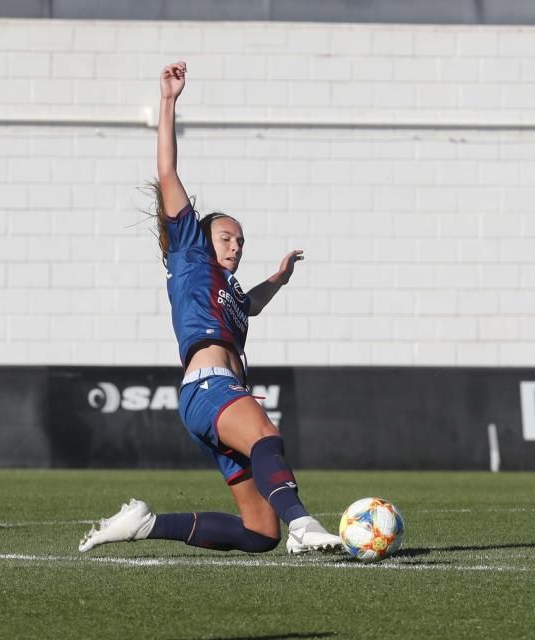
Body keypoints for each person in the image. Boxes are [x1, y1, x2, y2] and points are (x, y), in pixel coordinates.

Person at [79, 61, 343, 555]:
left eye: (241, 241)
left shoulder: (231, 293)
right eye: (227, 236)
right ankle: (304, 525)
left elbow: (250, 305)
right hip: (209, 390)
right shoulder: (190, 254)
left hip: (213, 398)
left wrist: (279, 280)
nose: (236, 245)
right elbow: (166, 171)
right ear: (202, 236)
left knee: (261, 532)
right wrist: (168, 101)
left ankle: (145, 524)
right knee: (267, 434)